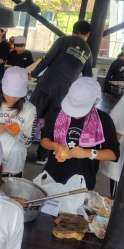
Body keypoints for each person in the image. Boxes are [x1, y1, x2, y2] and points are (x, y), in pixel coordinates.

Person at [30, 20, 93, 164]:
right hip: (63, 94)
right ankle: (42, 156)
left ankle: (20, 147)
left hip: (45, 86)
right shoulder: (88, 51)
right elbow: (88, 76)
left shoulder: (63, 40)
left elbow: (47, 60)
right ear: (88, 34)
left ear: (74, 29)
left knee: (31, 115)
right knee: (51, 123)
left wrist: (33, 73)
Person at [40, 77, 119, 191]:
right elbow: (44, 140)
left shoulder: (103, 120)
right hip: (51, 176)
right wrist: (56, 146)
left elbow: (113, 154)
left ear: (95, 101)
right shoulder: (55, 113)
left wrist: (87, 153)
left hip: (83, 181)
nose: (75, 114)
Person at [0, 67, 36, 177]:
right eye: (8, 93)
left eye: (16, 95)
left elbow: (28, 142)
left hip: (13, 166)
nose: (11, 98)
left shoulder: (30, 109)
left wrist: (19, 134)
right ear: (2, 88)